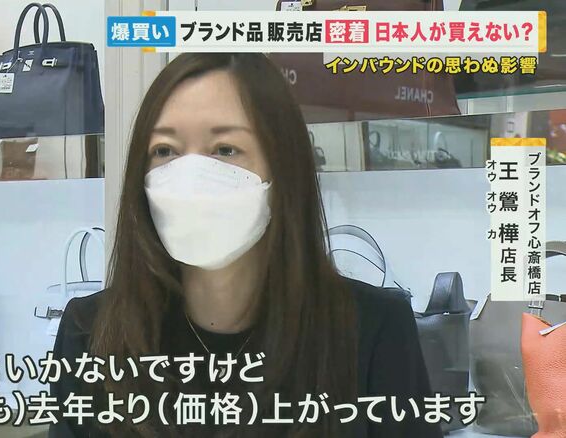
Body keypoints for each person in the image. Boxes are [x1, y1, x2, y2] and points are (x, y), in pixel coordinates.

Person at [49, 53, 442, 438]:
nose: (191, 179)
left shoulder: (373, 329)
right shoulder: (91, 333)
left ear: (282, 167)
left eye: (225, 150)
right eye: (165, 151)